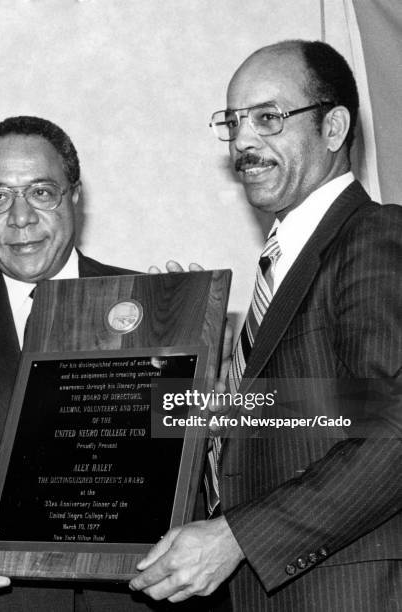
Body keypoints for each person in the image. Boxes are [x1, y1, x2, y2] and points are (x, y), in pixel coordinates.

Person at [130, 40, 402, 611]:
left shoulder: (373, 236)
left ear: (333, 128)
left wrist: (236, 537)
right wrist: (194, 375)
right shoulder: (283, 264)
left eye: (269, 118)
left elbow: (392, 427)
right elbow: (318, 414)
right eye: (234, 123)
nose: (244, 142)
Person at [0, 115, 178, 611]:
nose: (20, 218)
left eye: (41, 192)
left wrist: (202, 368)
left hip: (141, 600)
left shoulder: (158, 309)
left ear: (75, 195)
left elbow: (202, 461)